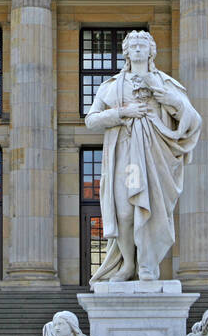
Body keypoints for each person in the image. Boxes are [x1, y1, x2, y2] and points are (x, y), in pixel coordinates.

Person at [83, 31, 201, 282]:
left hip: (154, 156)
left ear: (151, 51)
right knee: (124, 212)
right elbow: (91, 120)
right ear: (126, 52)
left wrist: (167, 98)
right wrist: (122, 112)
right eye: (133, 46)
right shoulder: (111, 86)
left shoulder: (166, 83)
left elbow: (193, 118)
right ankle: (127, 265)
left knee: (152, 211)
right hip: (124, 154)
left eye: (142, 45)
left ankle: (147, 265)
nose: (137, 49)